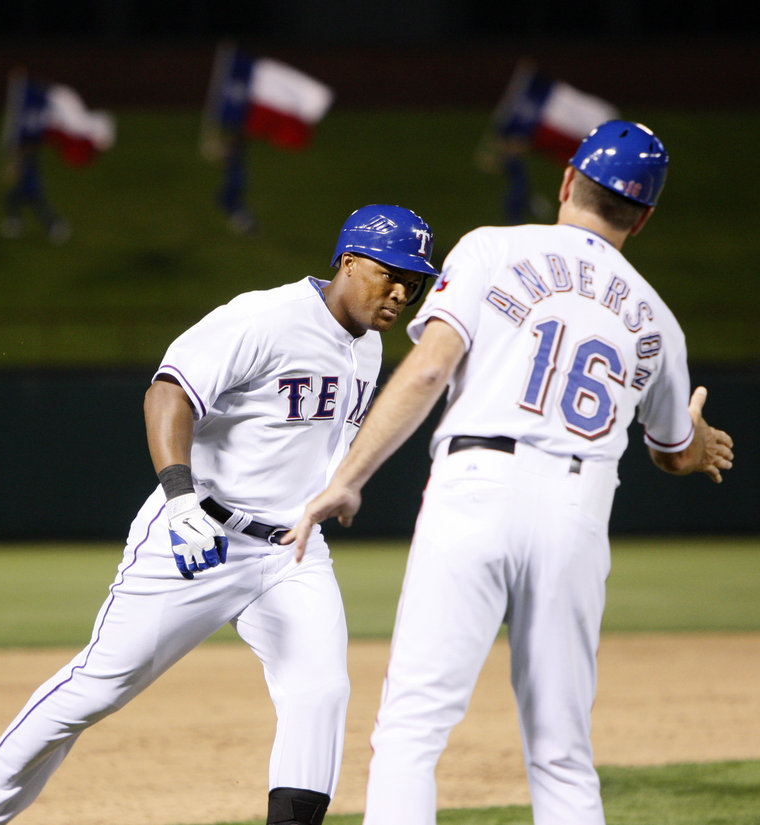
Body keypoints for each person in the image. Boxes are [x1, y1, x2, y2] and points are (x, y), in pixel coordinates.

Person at [286, 121, 734, 825]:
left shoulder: (494, 246)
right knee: (561, 751)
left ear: (566, 181)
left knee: (411, 729)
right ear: (643, 217)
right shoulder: (658, 318)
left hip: (477, 484)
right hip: (579, 507)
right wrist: (700, 440)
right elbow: (675, 450)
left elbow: (431, 367)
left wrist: (349, 474)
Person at [0, 203, 437, 825]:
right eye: (390, 272)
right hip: (201, 532)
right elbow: (168, 392)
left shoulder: (368, 346)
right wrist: (181, 501)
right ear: (347, 262)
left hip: (292, 549)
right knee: (99, 686)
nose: (403, 290)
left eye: (415, 280)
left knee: (319, 693)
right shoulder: (263, 317)